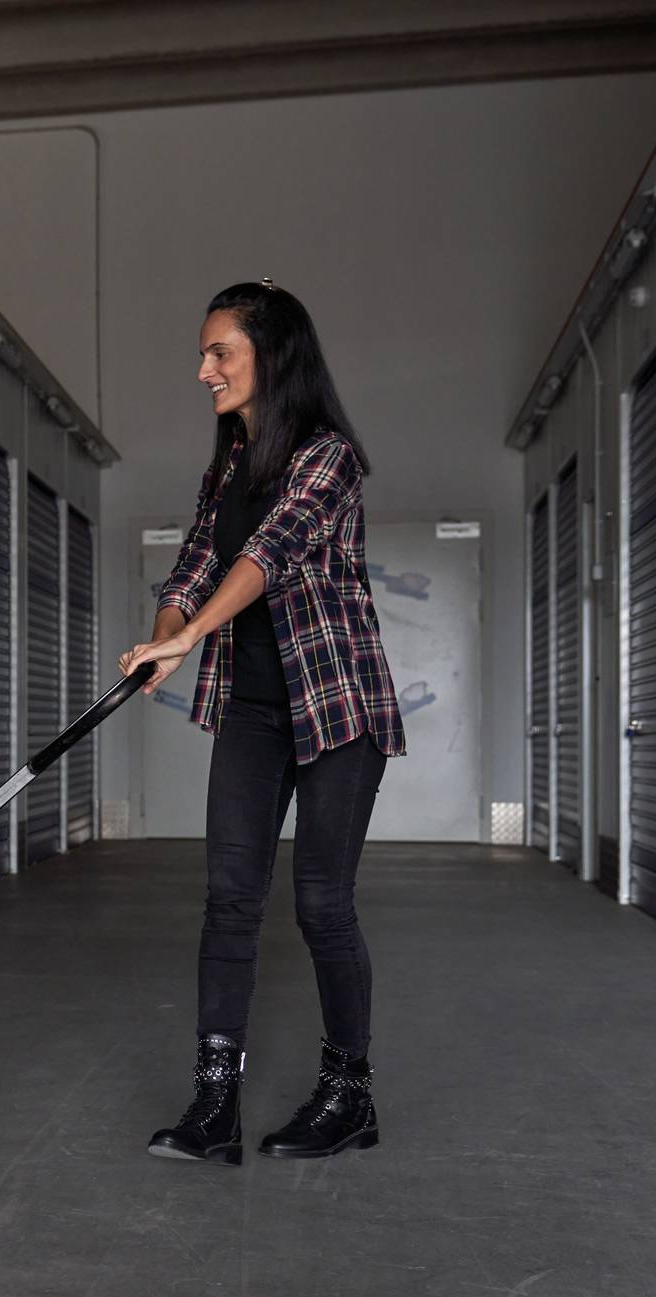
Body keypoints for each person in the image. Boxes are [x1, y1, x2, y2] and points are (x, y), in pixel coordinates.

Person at [119, 279, 406, 1165]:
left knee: (322, 900)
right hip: (252, 709)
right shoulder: (226, 467)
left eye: (221, 352)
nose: (203, 368)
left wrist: (196, 631)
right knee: (229, 901)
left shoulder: (328, 458)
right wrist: (165, 639)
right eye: (206, 353)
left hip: (336, 707)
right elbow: (195, 569)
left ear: (270, 357)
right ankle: (215, 1107)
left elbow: (266, 555)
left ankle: (348, 1091)